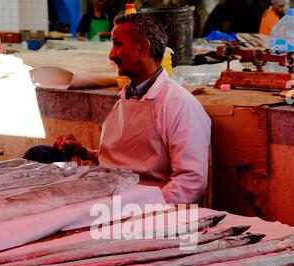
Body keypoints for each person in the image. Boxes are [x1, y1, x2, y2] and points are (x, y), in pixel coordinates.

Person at [24, 12, 211, 205]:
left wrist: (139, 210)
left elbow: (191, 182)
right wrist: (84, 153)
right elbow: (122, 160)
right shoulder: (127, 96)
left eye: (118, 44)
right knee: (38, 155)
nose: (111, 55)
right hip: (104, 190)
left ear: (143, 48)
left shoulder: (180, 104)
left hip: (135, 203)